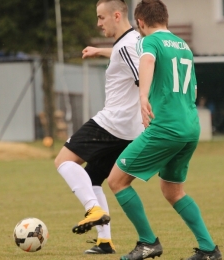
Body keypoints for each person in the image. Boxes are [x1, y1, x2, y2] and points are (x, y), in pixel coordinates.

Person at [107, 1, 222, 260]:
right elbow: (192, 90)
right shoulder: (184, 46)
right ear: (165, 19)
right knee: (173, 191)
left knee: (116, 180)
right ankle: (208, 249)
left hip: (166, 128)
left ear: (141, 22)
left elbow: (146, 62)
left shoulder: (150, 42)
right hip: (190, 127)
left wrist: (143, 95)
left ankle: (147, 242)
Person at [54, 0, 143, 255]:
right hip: (129, 130)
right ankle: (105, 242)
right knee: (93, 179)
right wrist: (99, 50)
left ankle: (92, 209)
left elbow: (142, 76)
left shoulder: (126, 47)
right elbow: (124, 54)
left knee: (63, 161)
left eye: (101, 18)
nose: (98, 23)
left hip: (113, 123)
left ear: (116, 15)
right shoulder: (134, 40)